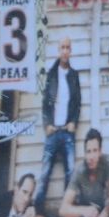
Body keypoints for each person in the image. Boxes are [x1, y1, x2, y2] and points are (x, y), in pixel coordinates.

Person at [38, 36, 82, 205]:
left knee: (70, 172)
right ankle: (38, 212)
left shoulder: (74, 75)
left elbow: (78, 104)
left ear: (70, 51)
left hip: (67, 132)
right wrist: (46, 125)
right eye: (62, 47)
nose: (64, 51)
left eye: (67, 48)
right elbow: (45, 103)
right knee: (44, 174)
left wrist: (74, 123)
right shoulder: (51, 74)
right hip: (52, 132)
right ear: (58, 50)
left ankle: (67, 211)